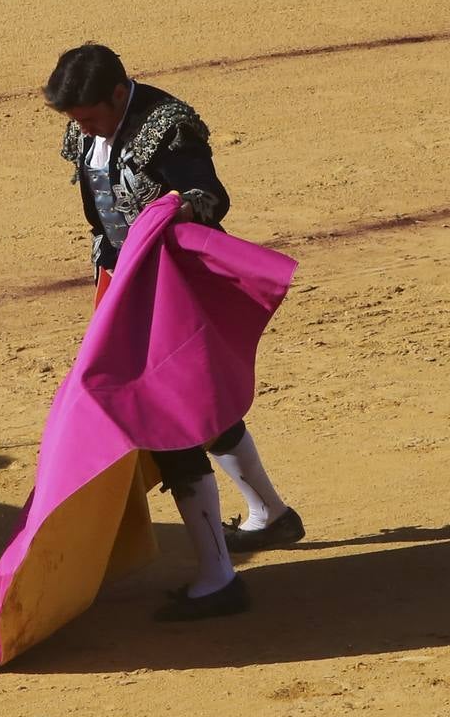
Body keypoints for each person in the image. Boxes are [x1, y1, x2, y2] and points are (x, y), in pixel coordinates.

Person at [44, 42, 305, 621]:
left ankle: (217, 578)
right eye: (74, 121)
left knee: (171, 421)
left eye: (89, 117)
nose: (81, 129)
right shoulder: (86, 130)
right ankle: (270, 515)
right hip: (121, 283)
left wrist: (174, 212)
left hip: (171, 290)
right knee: (198, 407)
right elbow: (101, 205)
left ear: (118, 93)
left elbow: (210, 197)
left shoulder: (169, 127)